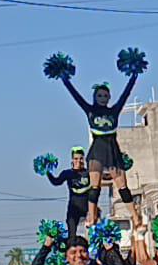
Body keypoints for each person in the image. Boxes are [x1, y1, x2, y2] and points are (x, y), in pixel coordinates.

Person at [54, 61, 142, 229]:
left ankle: (135, 216)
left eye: (105, 96)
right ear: (95, 97)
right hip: (97, 152)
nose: (102, 98)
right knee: (95, 186)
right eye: (99, 96)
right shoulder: (90, 111)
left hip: (113, 150)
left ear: (109, 97)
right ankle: (92, 215)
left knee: (122, 186)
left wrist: (134, 75)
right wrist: (65, 80)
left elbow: (126, 94)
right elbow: (76, 96)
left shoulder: (114, 111)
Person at [45, 148, 95, 238]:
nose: (78, 161)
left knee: (91, 236)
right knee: (72, 236)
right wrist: (48, 172)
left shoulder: (89, 173)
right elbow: (56, 182)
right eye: (76, 159)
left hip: (87, 209)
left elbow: (102, 178)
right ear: (72, 160)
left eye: (80, 158)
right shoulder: (67, 173)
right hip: (73, 208)